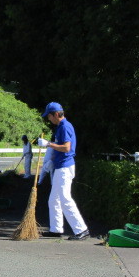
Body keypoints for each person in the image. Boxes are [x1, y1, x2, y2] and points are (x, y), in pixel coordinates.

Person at [38, 102, 89, 240]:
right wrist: (51, 161)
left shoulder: (64, 127)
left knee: (65, 199)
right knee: (53, 199)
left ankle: (81, 230)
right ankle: (56, 229)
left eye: (49, 116)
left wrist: (48, 144)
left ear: (55, 114)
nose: (49, 119)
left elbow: (66, 148)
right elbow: (61, 148)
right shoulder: (61, 126)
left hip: (65, 168)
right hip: (61, 166)